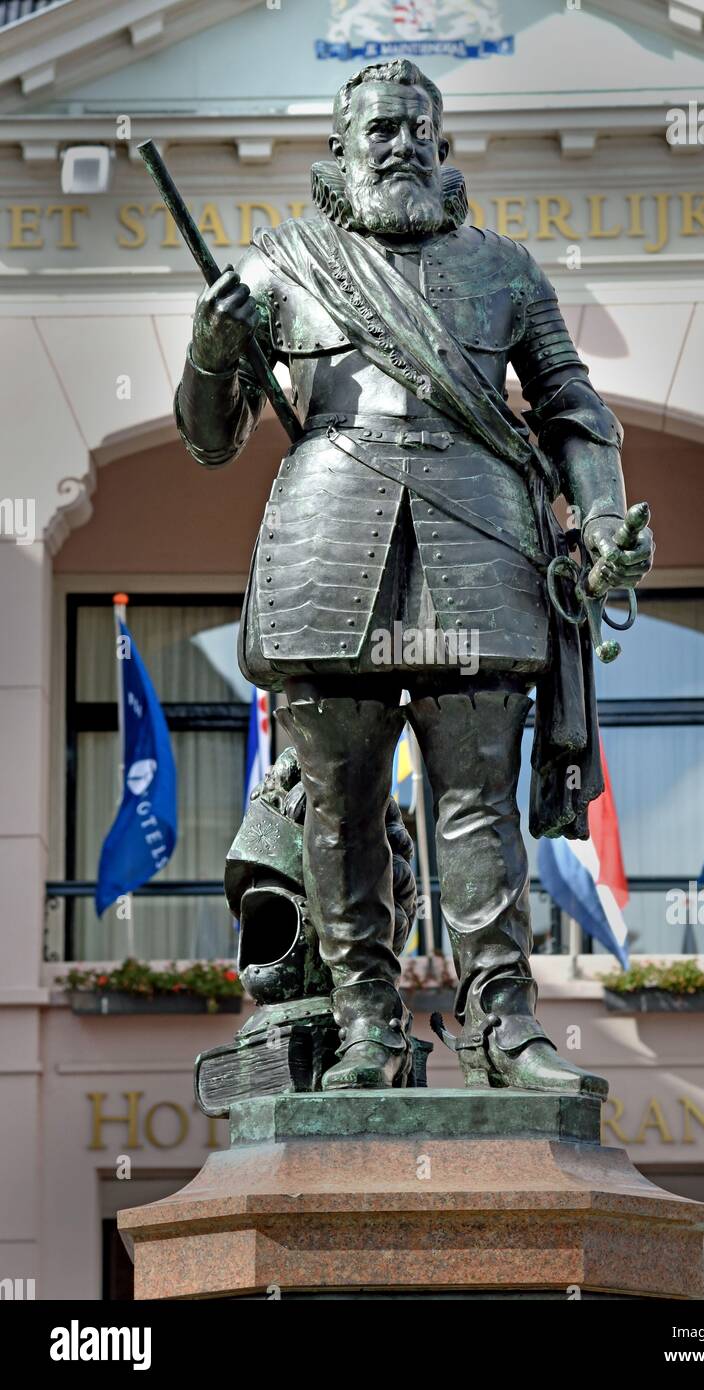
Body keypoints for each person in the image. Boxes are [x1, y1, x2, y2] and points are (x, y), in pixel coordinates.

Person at [175, 60, 653, 1092]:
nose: (398, 143)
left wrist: (604, 515)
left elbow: (571, 403)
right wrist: (212, 351)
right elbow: (211, 439)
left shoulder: (508, 269)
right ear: (340, 150)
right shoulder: (278, 267)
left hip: (478, 538)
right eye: (378, 129)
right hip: (325, 538)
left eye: (415, 127)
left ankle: (504, 1024)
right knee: (341, 807)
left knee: (479, 804)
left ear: (441, 144)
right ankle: (366, 1030)